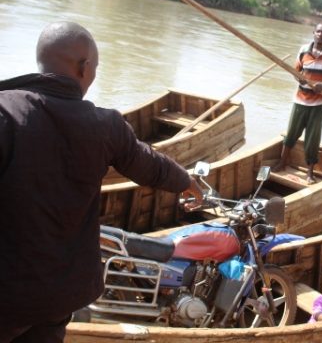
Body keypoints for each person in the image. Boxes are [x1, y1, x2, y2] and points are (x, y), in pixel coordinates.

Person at [0, 21, 203, 342]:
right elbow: (147, 164)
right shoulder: (105, 126)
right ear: (84, 67)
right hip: (59, 295)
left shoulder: (6, 112)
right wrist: (185, 180)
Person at [273, 23, 322, 184]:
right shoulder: (304, 50)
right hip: (300, 99)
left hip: (319, 103)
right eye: (318, 31)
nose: (320, 34)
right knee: (291, 132)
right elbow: (295, 71)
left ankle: (310, 173)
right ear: (313, 33)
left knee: (313, 137)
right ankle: (283, 162)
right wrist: (299, 77)